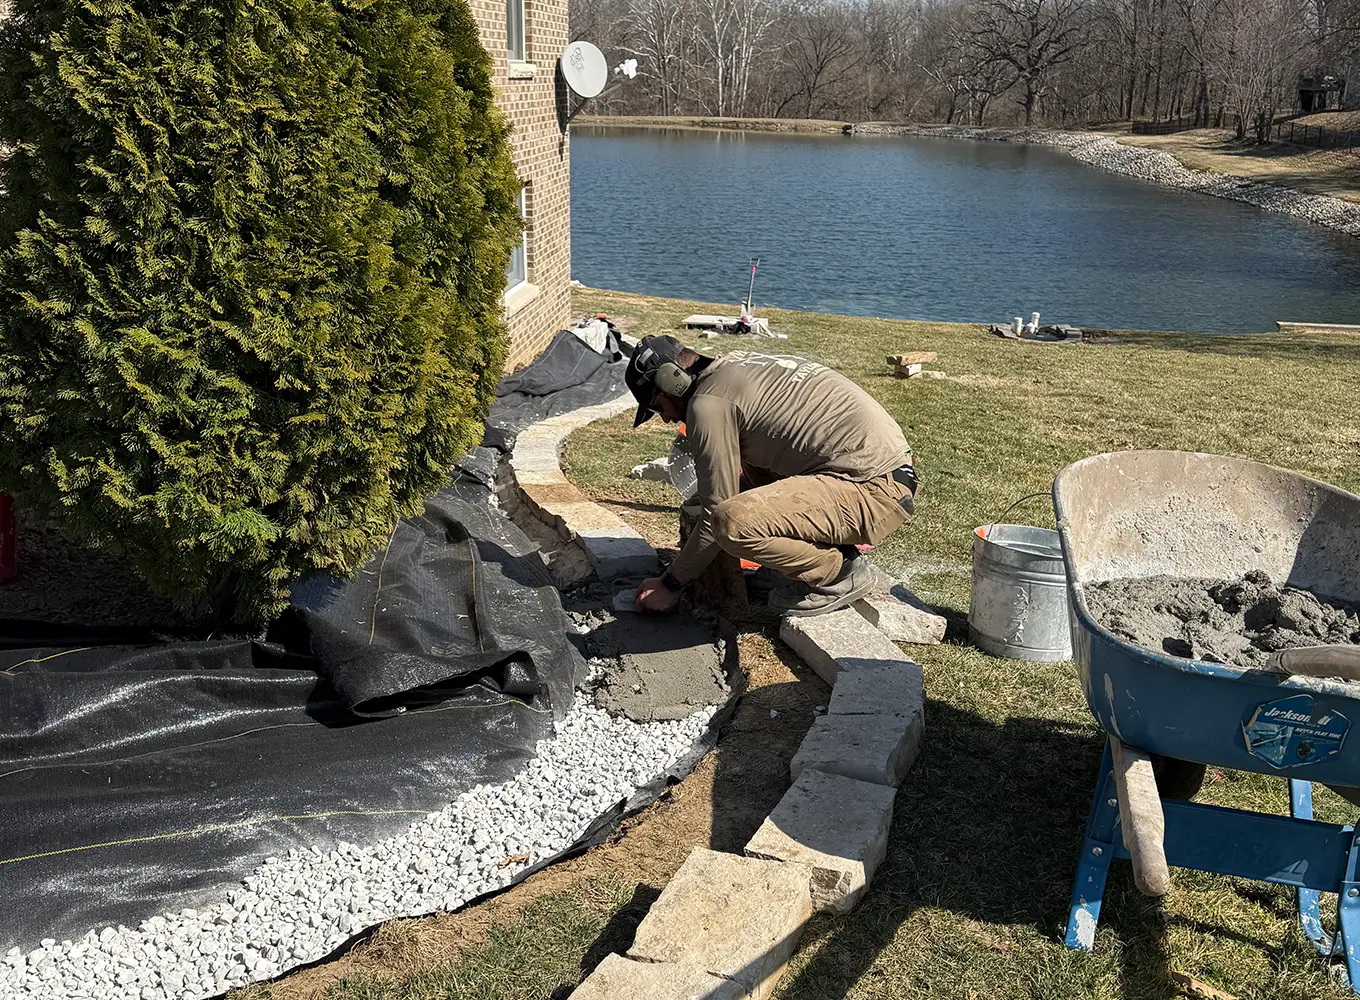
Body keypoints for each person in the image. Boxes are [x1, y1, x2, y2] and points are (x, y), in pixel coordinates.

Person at [627, 335, 917, 617]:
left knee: (730, 523)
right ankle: (791, 564)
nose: (665, 418)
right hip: (883, 473)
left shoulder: (708, 404)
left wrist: (670, 583)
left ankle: (840, 572)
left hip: (872, 489)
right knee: (741, 479)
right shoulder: (734, 367)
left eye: (657, 406)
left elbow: (717, 512)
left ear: (671, 380)